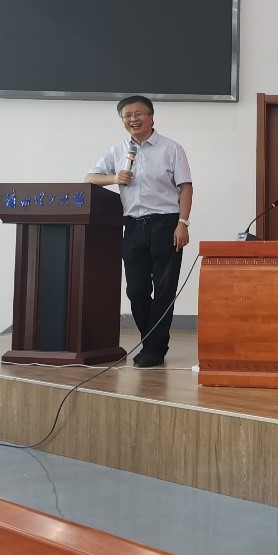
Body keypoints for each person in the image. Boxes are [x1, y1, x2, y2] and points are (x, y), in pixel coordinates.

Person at [87, 96, 192, 368]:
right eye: (127, 115)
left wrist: (183, 223)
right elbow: (90, 178)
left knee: (165, 290)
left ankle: (154, 349)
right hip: (133, 226)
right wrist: (114, 178)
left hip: (166, 224)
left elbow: (185, 187)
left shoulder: (171, 148)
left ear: (151, 117)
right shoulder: (117, 151)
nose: (133, 119)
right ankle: (151, 343)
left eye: (138, 114)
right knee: (136, 290)